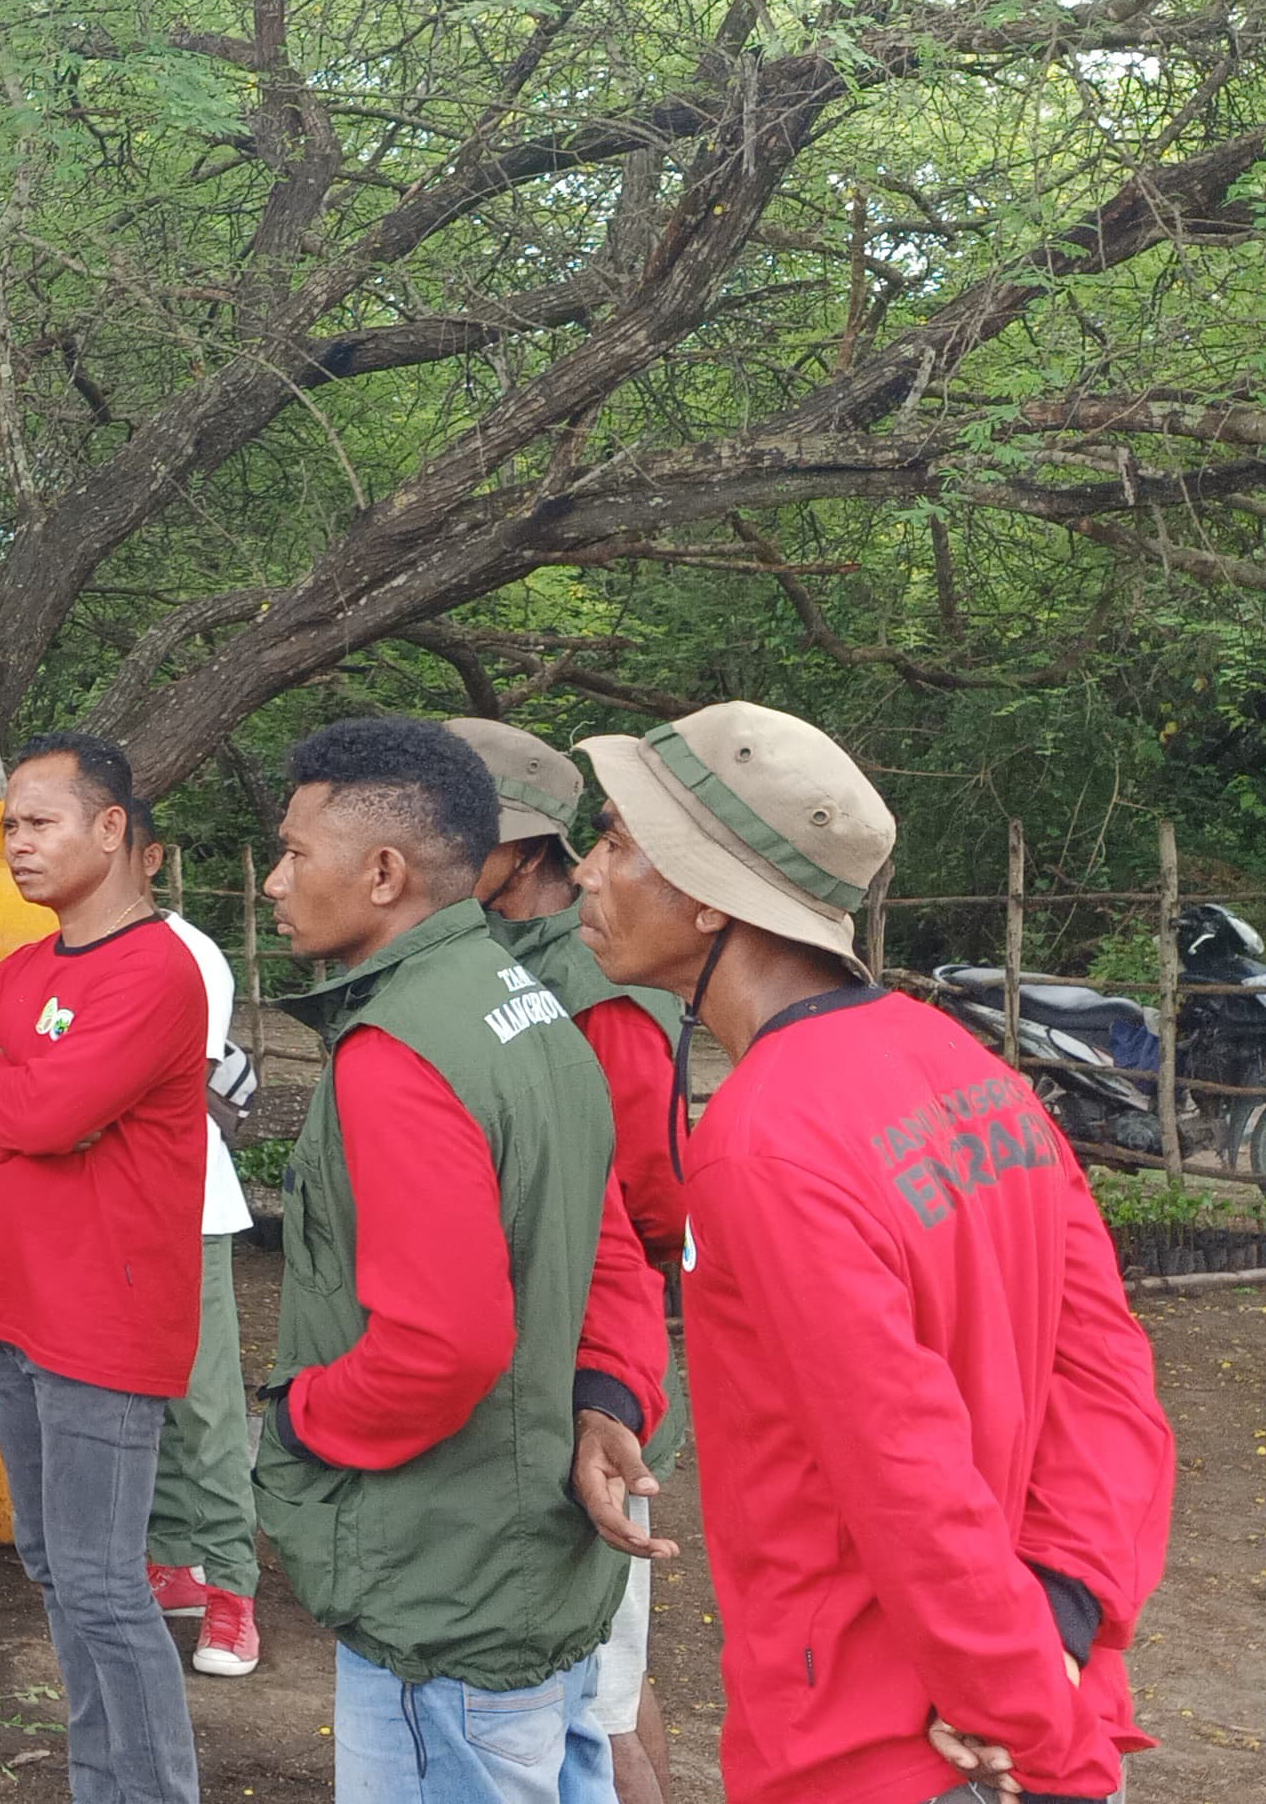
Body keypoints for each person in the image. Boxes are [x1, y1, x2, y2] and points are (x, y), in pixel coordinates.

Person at [571, 703, 1176, 1804]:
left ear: (709, 896)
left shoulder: (760, 1143)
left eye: (615, 841)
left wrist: (1015, 1708)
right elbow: (1106, 1374)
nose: (584, 872)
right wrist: (1063, 1620)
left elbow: (901, 1461)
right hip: (1036, 1681)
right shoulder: (968, 1068)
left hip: (887, 1739)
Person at [254, 717, 643, 1804]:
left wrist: (297, 1422)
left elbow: (442, 1346)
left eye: (294, 854)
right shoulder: (530, 1003)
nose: (275, 882)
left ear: (383, 874)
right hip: (534, 1559)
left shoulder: (400, 1049)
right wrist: (610, 1395)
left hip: (445, 1575)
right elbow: (610, 1243)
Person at [0, 731, 206, 1804]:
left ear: (110, 828)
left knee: (101, 1583)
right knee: (57, 1573)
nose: (17, 843)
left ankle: (154, 1792)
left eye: (38, 822)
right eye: (10, 826)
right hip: (14, 1308)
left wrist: (23, 1101)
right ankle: (106, 1785)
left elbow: (40, 1113)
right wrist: (25, 1101)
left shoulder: (157, 970)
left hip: (105, 1321)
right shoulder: (25, 967)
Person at [446, 717, 689, 1803]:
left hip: (592, 1365)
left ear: (521, 848)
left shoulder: (595, 986)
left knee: (600, 1696)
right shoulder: (490, 963)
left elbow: (653, 1198)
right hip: (526, 1361)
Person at [143, 832, 264, 1681]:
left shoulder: (188, 952)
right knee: (141, 1398)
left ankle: (232, 1590)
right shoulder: (54, 952)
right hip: (107, 1215)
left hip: (189, 1208)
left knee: (206, 1405)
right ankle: (171, 1559)